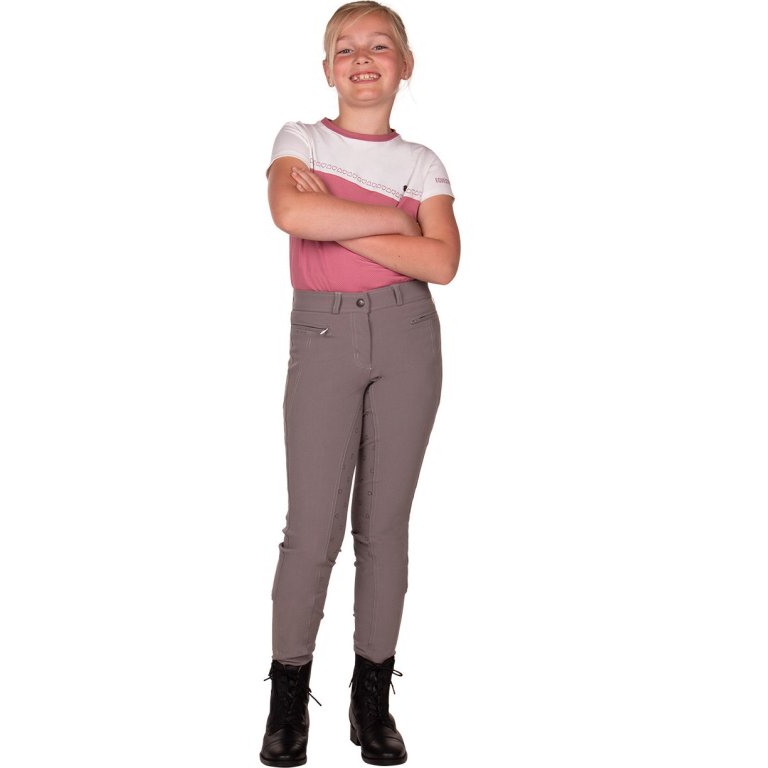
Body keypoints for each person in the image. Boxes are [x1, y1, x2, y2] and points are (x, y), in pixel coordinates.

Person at [260, 2, 460, 765]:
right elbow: (290, 209)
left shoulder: (424, 162)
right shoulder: (300, 140)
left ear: (406, 65)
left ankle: (371, 702)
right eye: (346, 48)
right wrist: (399, 226)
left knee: (384, 528)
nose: (363, 58)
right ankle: (287, 702)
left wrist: (338, 215)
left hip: (409, 337)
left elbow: (442, 262)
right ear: (327, 69)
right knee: (311, 529)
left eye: (381, 46)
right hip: (323, 336)